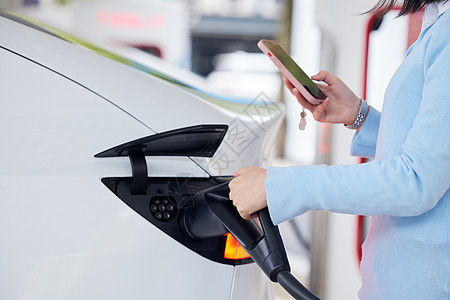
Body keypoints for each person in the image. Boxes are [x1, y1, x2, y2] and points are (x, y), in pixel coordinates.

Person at [228, 0, 450, 299]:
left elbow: (417, 181)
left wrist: (279, 186)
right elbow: (434, 150)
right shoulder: (438, 23)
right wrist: (359, 115)